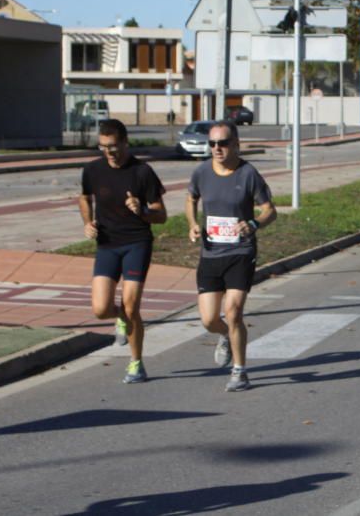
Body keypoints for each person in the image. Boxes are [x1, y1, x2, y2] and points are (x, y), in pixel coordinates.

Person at [186, 120, 277, 392]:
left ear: (236, 145)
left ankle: (240, 371)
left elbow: (270, 210)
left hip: (240, 251)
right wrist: (192, 223)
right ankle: (224, 335)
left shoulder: (248, 174)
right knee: (209, 319)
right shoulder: (201, 172)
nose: (216, 148)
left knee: (233, 311)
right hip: (211, 252)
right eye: (212, 143)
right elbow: (191, 198)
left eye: (223, 143)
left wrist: (254, 224)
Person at [79, 119, 167, 384]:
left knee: (131, 306)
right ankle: (118, 318)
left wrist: (141, 210)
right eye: (104, 147)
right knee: (100, 308)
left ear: (125, 143)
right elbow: (85, 197)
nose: (109, 152)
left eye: (114, 146)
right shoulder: (93, 170)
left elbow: (161, 215)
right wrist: (87, 222)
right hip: (107, 244)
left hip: (136, 243)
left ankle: (136, 363)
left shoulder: (142, 172)